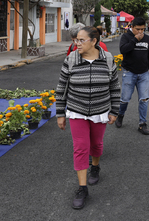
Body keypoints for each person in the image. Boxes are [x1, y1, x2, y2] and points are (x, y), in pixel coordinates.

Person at [55, 26, 120, 210]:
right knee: (81, 147)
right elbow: (61, 88)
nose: (77, 43)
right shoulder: (71, 59)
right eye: (76, 40)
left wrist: (114, 110)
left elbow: (114, 87)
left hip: (100, 110)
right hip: (77, 110)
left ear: (94, 41)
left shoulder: (107, 60)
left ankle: (96, 166)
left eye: (81, 40)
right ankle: (82, 188)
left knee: (96, 145)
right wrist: (60, 113)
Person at [116, 17, 149, 135]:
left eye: (143, 29)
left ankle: (142, 123)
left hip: (143, 73)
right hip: (129, 72)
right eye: (138, 29)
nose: (140, 32)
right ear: (131, 27)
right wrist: (134, 40)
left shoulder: (148, 39)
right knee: (125, 99)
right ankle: (120, 115)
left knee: (144, 99)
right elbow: (123, 50)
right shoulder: (126, 37)